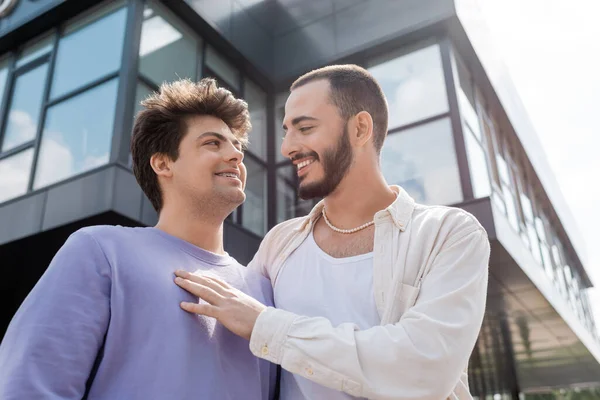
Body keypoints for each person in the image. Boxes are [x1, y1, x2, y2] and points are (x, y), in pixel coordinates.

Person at [174, 65, 490, 400]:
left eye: (305, 128)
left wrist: (266, 326)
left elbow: (424, 367)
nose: (287, 148)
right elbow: (232, 344)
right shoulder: (279, 244)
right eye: (286, 132)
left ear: (360, 129)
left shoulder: (447, 234)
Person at [0, 78, 275, 400]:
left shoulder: (264, 289)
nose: (235, 156)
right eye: (213, 143)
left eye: (237, 146)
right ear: (162, 163)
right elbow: (30, 384)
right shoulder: (101, 251)